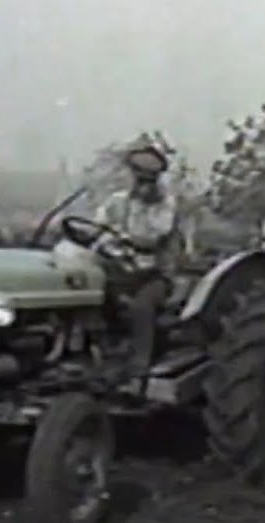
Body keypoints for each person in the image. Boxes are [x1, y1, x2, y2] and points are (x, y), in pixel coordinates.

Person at [93, 143, 181, 390]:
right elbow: (98, 225)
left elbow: (153, 236)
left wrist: (124, 238)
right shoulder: (117, 202)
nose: (143, 184)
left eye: (149, 179)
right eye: (139, 177)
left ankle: (138, 369)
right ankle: (102, 353)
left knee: (142, 306)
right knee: (95, 293)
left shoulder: (165, 205)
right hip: (121, 270)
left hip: (154, 274)